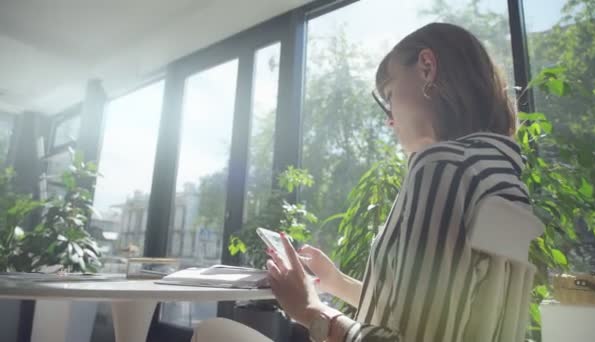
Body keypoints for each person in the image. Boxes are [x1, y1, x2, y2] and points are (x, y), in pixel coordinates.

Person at [193, 22, 532, 342]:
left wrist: (310, 310)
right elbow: (433, 312)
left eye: (389, 93)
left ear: (427, 68)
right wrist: (337, 283)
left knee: (214, 331)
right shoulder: (499, 176)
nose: (389, 119)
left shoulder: (443, 167)